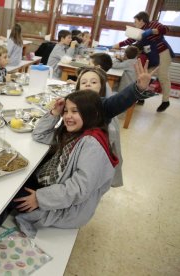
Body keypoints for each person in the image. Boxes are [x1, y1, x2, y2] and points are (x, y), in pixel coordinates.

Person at [14, 90, 118, 236]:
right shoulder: (73, 133)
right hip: (52, 188)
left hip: (64, 209)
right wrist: (55, 112)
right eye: (66, 111)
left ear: (92, 113)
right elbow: (39, 135)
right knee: (14, 178)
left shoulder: (92, 144)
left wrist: (40, 198)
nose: (68, 116)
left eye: (75, 111)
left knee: (8, 197)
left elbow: (79, 189)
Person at [113, 11, 174, 112]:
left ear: (141, 20)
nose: (134, 24)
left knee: (163, 77)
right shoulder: (137, 31)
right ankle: (140, 97)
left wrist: (151, 31)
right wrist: (115, 46)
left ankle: (165, 101)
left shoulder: (153, 24)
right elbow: (128, 41)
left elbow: (165, 29)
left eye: (135, 21)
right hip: (151, 55)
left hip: (162, 52)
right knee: (143, 76)